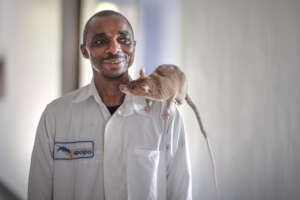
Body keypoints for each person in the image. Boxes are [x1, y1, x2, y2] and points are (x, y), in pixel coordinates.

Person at [28, 10, 192, 200]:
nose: (114, 49)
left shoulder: (165, 114)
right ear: (84, 51)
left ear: (134, 47)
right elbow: (38, 190)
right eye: (100, 41)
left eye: (123, 40)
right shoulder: (56, 115)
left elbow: (180, 190)